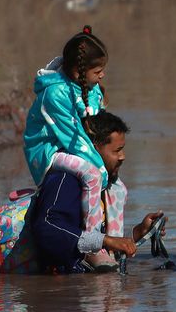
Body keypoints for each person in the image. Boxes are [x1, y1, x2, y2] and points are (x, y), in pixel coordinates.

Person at [23, 25, 124, 269]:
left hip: (75, 146)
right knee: (92, 173)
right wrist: (101, 167)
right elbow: (75, 137)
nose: (102, 76)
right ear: (80, 71)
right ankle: (93, 245)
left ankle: (116, 245)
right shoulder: (55, 94)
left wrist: (107, 173)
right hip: (49, 150)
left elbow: (97, 129)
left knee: (118, 187)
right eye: (98, 71)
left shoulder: (92, 89)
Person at [31, 111, 165, 273]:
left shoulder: (105, 185)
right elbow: (47, 228)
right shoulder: (65, 180)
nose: (122, 157)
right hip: (62, 287)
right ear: (93, 149)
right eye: (117, 150)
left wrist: (138, 233)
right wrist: (106, 240)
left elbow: (101, 242)